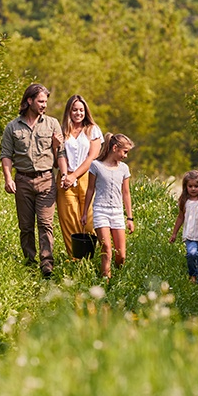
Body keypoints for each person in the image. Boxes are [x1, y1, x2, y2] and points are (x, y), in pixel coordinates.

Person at [0, 83, 65, 278]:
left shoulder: (52, 124)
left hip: (46, 178)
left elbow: (59, 154)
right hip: (23, 180)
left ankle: (47, 264)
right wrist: (8, 178)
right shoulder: (12, 127)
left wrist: (63, 171)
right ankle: (29, 261)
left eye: (46, 101)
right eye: (41, 101)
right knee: (26, 226)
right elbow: (6, 154)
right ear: (30, 101)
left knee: (46, 224)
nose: (44, 105)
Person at [81, 133, 135, 279]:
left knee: (121, 255)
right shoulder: (96, 166)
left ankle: (117, 276)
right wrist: (85, 212)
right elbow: (90, 189)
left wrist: (130, 218)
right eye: (125, 152)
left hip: (117, 213)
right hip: (100, 211)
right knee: (106, 249)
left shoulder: (124, 168)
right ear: (115, 148)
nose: (126, 156)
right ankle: (105, 282)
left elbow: (126, 193)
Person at [57, 94, 104, 257]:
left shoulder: (93, 130)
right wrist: (65, 176)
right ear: (69, 112)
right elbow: (60, 154)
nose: (78, 113)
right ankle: (74, 260)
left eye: (81, 110)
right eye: (74, 110)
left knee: (89, 220)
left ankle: (92, 257)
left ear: (86, 111)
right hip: (65, 178)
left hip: (86, 177)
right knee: (69, 220)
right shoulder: (62, 130)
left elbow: (92, 157)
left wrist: (74, 176)